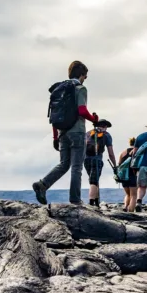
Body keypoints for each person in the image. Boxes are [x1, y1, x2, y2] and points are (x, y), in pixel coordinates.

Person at [32, 60, 100, 206]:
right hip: (77, 132)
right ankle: (75, 200)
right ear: (81, 75)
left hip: (62, 132)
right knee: (76, 167)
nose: (85, 79)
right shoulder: (80, 89)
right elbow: (82, 110)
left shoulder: (60, 89)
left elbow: (54, 116)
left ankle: (42, 184)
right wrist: (94, 119)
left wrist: (55, 137)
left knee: (64, 164)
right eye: (85, 76)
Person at [84, 120, 116, 207]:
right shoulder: (106, 135)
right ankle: (91, 203)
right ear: (105, 127)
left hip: (86, 160)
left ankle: (96, 201)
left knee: (94, 179)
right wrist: (115, 165)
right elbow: (111, 153)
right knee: (93, 182)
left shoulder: (88, 133)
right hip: (97, 160)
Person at [118, 137, 139, 211]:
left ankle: (125, 206)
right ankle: (131, 212)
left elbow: (119, 164)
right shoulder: (137, 152)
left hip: (123, 176)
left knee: (128, 194)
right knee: (134, 196)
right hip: (133, 175)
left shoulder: (123, 153)